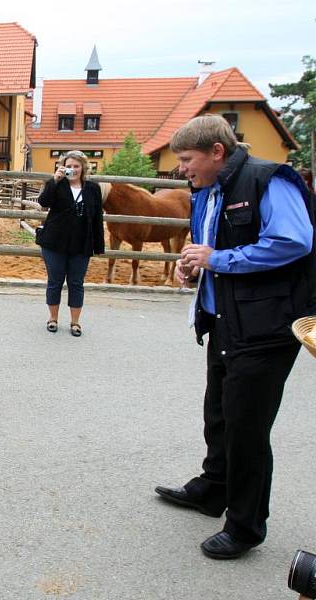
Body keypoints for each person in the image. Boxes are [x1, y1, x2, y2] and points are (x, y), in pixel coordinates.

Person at [155, 114, 315, 559]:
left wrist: (218, 259)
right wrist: (192, 268)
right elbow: (208, 248)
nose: (182, 168)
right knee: (220, 414)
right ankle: (213, 489)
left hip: (265, 328)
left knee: (247, 428)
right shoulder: (206, 191)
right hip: (223, 320)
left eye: (187, 159)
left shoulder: (268, 181)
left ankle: (245, 527)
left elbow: (293, 242)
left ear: (217, 152)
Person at [36, 149, 105, 336]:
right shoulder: (56, 185)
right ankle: (53, 318)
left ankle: (75, 322)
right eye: (68, 166)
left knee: (76, 283)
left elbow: (97, 218)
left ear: (83, 168)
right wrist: (54, 181)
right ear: (62, 168)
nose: (72, 170)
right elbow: (43, 202)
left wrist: (98, 245)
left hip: (81, 244)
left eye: (76, 166)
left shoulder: (93, 189)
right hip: (54, 242)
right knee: (55, 281)